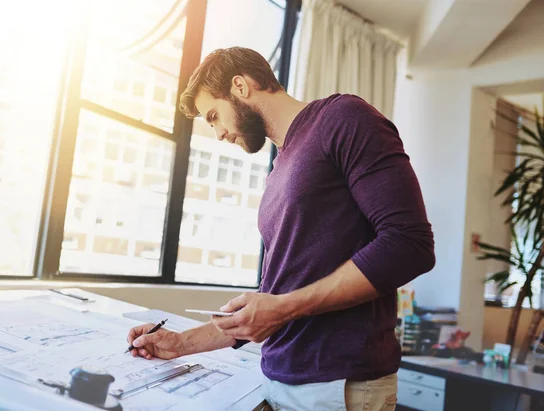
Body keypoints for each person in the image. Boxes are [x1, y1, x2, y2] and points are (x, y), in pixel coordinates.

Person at [127, 47, 435, 410]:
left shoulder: (343, 118)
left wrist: (284, 308)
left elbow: (409, 244)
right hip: (277, 379)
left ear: (240, 86)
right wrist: (180, 343)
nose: (219, 134)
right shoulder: (279, 170)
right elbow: (275, 299)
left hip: (337, 385)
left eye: (214, 116)